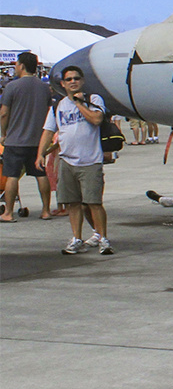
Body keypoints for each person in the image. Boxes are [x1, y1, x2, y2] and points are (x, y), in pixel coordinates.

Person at [36, 66, 112, 254]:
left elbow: (96, 120)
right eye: (68, 79)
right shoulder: (58, 106)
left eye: (76, 78)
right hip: (67, 161)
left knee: (94, 203)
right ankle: (76, 238)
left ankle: (103, 239)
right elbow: (49, 130)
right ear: (62, 84)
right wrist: (40, 154)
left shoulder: (93, 100)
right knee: (72, 203)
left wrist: (79, 103)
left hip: (90, 161)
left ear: (82, 81)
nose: (72, 82)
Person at [1, 52, 57, 223]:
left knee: (12, 175)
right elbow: (49, 111)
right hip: (37, 140)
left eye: (17, 64)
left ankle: (8, 212)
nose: (16, 67)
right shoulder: (44, 88)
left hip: (15, 140)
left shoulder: (12, 86)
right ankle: (46, 210)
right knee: (40, 174)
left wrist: (3, 134)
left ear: (22, 66)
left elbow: (4, 113)